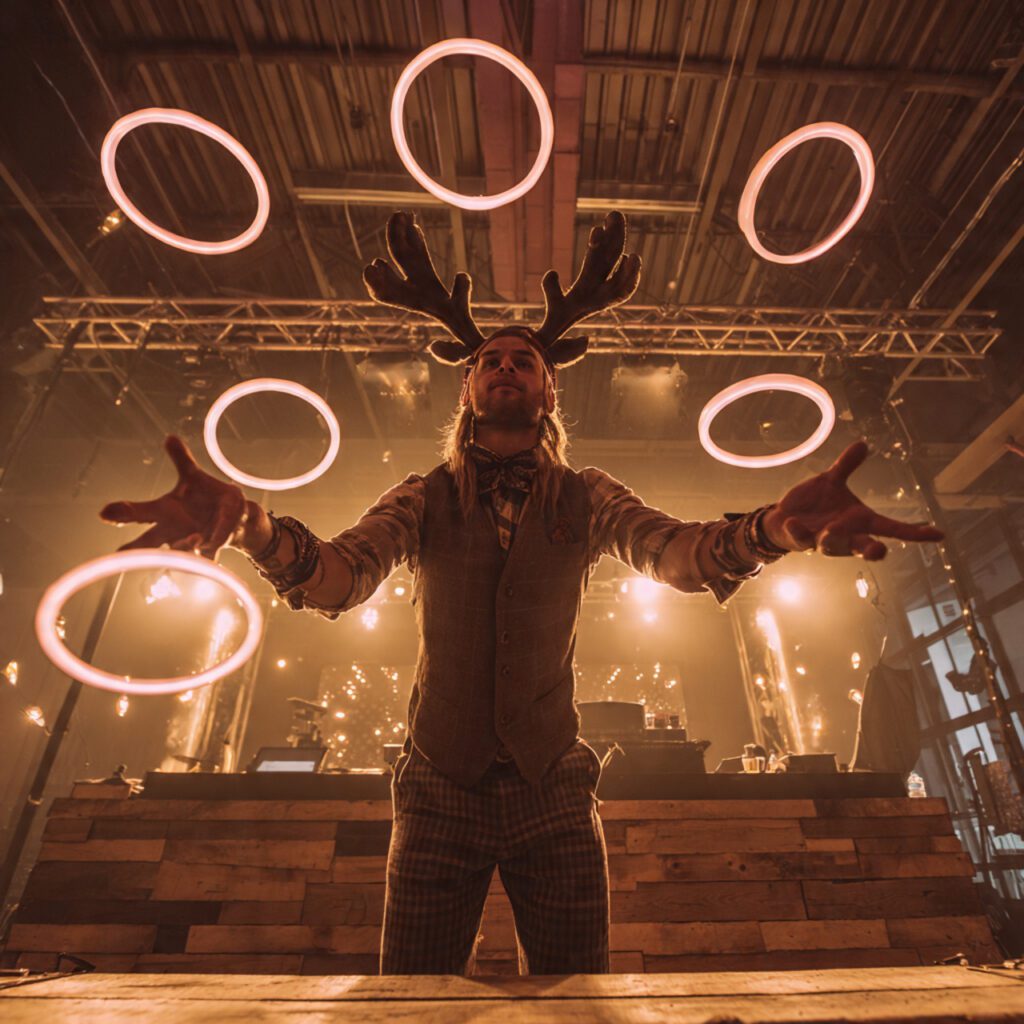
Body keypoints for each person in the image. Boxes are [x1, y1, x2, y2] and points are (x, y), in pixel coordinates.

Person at [100, 211, 944, 975]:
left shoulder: (586, 494)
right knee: (414, 1004)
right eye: (489, 360)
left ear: (549, 391)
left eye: (524, 359)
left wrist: (771, 532)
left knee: (580, 1000)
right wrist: (250, 529)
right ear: (468, 391)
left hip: (554, 793)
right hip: (437, 790)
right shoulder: (426, 493)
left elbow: (678, 556)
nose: (505, 363)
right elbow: (340, 577)